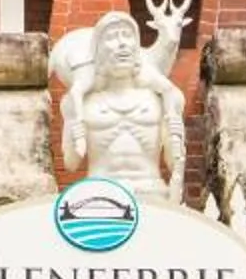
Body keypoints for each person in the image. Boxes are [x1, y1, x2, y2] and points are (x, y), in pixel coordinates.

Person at [60, 11, 187, 200]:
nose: (121, 43)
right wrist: (74, 127)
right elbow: (71, 163)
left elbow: (173, 160)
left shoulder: (159, 100)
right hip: (99, 193)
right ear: (98, 50)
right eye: (111, 37)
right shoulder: (83, 103)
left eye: (127, 36)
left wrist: (176, 139)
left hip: (151, 191)